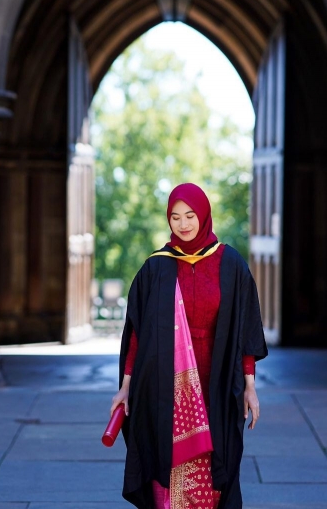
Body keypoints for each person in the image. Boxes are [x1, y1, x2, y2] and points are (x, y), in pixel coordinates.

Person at [110, 182, 268, 509]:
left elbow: (245, 329)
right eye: (175, 217)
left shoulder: (230, 264)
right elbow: (138, 334)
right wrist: (125, 387)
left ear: (204, 215)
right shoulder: (156, 267)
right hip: (164, 384)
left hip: (218, 381)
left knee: (215, 461)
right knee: (168, 460)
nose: (183, 225)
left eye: (190, 216)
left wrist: (249, 386)